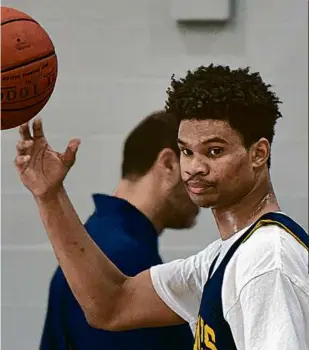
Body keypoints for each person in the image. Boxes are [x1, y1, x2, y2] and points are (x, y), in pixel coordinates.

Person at [15, 64, 308, 350]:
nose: (194, 167)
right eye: (186, 151)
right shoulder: (222, 256)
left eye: (214, 151)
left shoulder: (267, 258)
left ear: (258, 153)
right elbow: (112, 305)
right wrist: (49, 195)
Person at [39, 111, 198, 350]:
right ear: (169, 164)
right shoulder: (122, 260)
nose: (204, 182)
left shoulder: (99, 239)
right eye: (194, 161)